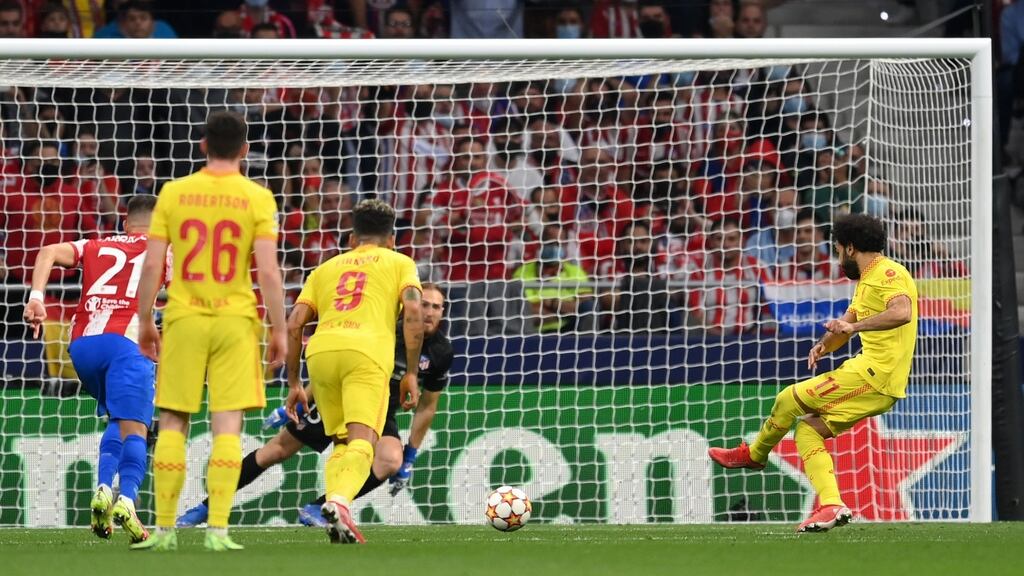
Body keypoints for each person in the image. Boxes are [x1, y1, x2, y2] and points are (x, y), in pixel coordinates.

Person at [132, 111, 288, 552]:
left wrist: (145, 319)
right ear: (245, 149)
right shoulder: (257, 197)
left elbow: (151, 263)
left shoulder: (174, 192)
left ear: (202, 145)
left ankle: (163, 531)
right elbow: (270, 273)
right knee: (227, 427)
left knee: (173, 422)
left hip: (184, 316)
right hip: (236, 320)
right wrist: (279, 330)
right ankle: (217, 530)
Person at [175, 284, 452, 528]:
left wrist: (411, 456)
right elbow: (335, 368)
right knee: (275, 451)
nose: (428, 311)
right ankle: (206, 507)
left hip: (375, 411)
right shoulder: (384, 328)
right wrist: (298, 401)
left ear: (442, 312)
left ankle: (320, 509)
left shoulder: (441, 352)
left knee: (391, 459)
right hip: (337, 398)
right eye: (424, 304)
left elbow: (427, 407)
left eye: (436, 307)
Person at [709, 213, 919, 533]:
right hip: (872, 375)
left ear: (849, 248)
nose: (836, 257)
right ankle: (832, 504)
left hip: (875, 374)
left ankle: (755, 454)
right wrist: (824, 344)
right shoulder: (868, 280)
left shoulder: (887, 273)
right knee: (807, 431)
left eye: (836, 250)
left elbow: (901, 312)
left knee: (788, 398)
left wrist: (854, 326)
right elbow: (845, 325)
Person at [282, 199, 424, 545]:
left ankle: (335, 507)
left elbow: (294, 323)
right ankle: (340, 502)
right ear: (391, 239)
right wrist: (411, 373)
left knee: (343, 442)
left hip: (321, 354)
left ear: (351, 239)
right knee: (365, 441)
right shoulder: (400, 262)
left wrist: (294, 382)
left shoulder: (325, 269)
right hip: (366, 353)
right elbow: (414, 309)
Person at [23, 195, 163, 545]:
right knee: (137, 429)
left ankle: (102, 488)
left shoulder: (96, 245)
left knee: (117, 419)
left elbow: (47, 252)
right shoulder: (164, 248)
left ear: (126, 223)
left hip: (83, 347)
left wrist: (37, 297)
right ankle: (127, 500)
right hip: (127, 344)